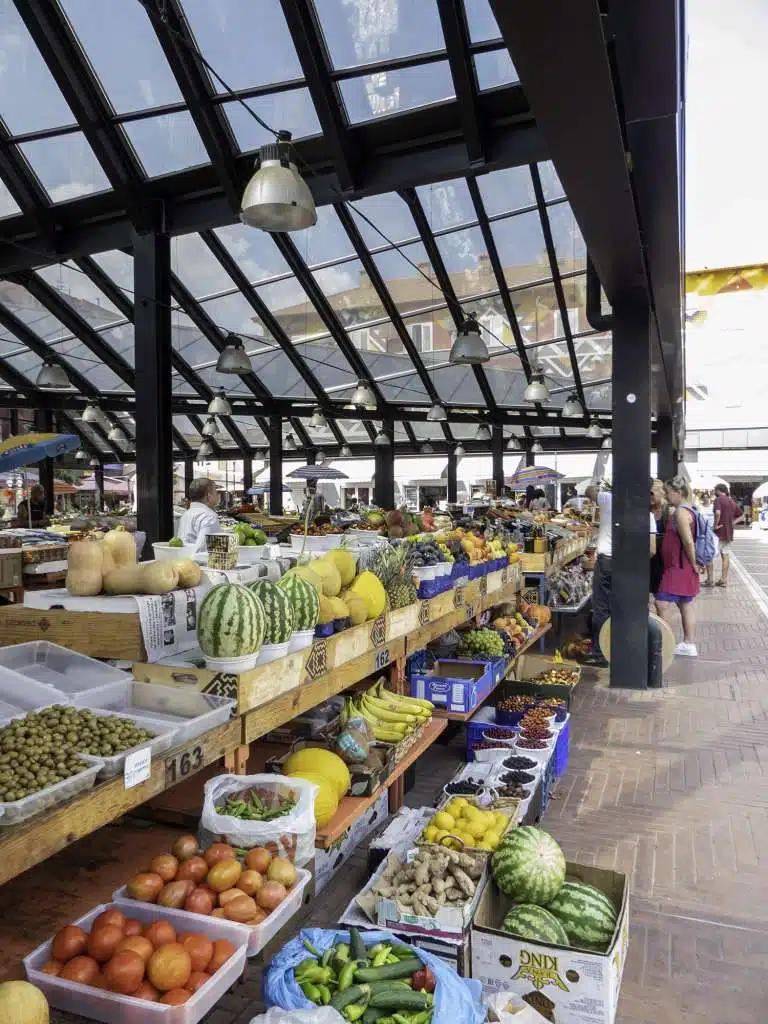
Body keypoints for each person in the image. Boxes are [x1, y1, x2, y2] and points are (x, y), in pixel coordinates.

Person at [584, 482, 658, 667]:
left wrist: (600, 485)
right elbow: (652, 549)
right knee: (625, 608)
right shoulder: (646, 514)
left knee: (601, 608)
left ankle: (600, 653)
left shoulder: (609, 499)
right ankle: (625, 651)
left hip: (606, 562)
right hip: (629, 566)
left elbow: (588, 491)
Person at [656, 476, 701, 657]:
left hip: (678, 566)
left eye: (668, 493)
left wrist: (694, 562)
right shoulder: (690, 509)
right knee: (685, 603)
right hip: (683, 566)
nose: (666, 497)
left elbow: (688, 542)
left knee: (661, 602)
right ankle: (688, 644)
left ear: (678, 492)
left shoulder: (681, 513)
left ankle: (663, 643)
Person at [711, 482, 744, 587]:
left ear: (719, 490)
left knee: (710, 555)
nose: (715, 492)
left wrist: (715, 525)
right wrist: (732, 523)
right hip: (729, 533)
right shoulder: (731, 502)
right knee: (725, 555)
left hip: (719, 532)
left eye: (715, 490)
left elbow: (717, 513)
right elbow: (742, 516)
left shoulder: (718, 499)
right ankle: (724, 579)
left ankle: (710, 579)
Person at [177, 478, 222, 552]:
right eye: (215, 492)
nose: (217, 495)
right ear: (208, 495)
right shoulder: (209, 517)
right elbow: (204, 550)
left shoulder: (186, 514)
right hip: (198, 562)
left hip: (183, 560)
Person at [649, 479, 668, 600]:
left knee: (661, 597)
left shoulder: (668, 510)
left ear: (661, 493)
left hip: (663, 558)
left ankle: (661, 618)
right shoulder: (645, 509)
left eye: (651, 493)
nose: (649, 496)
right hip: (648, 556)